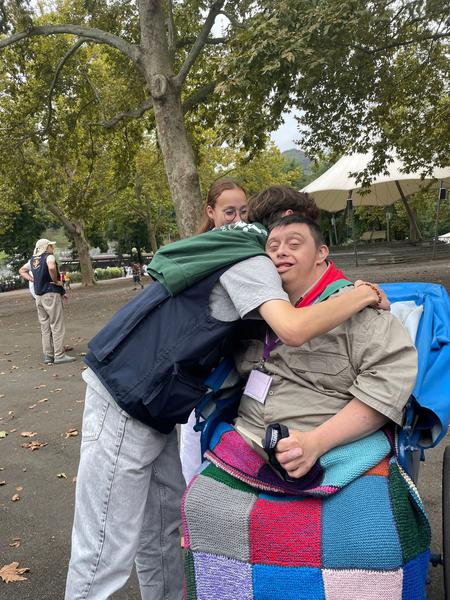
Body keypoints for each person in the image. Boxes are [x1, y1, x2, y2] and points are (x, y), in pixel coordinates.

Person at [65, 188, 386, 600]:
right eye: (292, 234)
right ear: (283, 221)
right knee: (104, 548)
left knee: (161, 529)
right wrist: (363, 293)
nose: (292, 249)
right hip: (127, 393)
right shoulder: (252, 262)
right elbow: (293, 328)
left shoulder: (233, 245)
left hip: (152, 403)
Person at [182, 215, 429, 599]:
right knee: (200, 505)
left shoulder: (360, 311)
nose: (281, 251)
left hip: (338, 446)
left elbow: (388, 384)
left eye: (294, 243)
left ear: (321, 254)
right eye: (273, 246)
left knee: (374, 540)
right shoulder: (256, 312)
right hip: (249, 442)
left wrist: (316, 442)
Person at [180, 178, 249, 483]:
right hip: (201, 362)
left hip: (233, 360)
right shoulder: (199, 253)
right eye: (229, 212)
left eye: (244, 211)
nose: (238, 219)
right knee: (195, 438)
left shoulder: (249, 246)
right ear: (211, 212)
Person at [22, 239, 76, 365]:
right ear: (46, 247)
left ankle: (48, 355)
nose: (52, 247)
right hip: (51, 294)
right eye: (51, 245)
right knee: (56, 325)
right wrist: (56, 281)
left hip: (38, 296)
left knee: (45, 327)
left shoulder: (33, 260)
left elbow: (22, 271)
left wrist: (33, 280)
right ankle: (59, 355)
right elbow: (51, 267)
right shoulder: (49, 257)